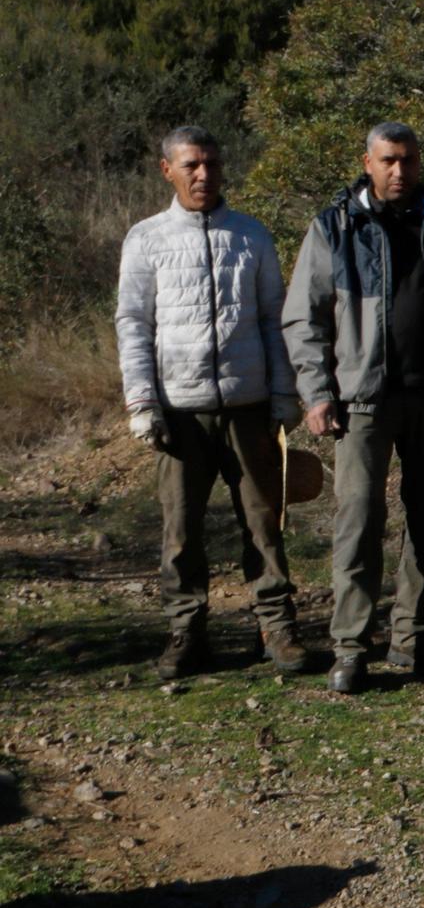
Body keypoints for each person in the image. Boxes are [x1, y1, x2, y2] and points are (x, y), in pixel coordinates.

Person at [283, 121, 424, 694]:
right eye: (387, 161)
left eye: (407, 160)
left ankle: (413, 637)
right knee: (358, 523)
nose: (398, 171)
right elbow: (304, 318)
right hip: (360, 402)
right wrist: (317, 393)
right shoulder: (335, 227)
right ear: (368, 162)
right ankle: (351, 648)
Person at [117, 125, 305, 678]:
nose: (204, 175)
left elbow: (275, 319)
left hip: (248, 406)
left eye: (213, 164)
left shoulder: (251, 235)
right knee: (181, 530)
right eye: (192, 165)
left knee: (264, 524)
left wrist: (283, 392)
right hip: (179, 410)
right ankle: (186, 631)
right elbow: (132, 323)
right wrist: (141, 403)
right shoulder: (146, 238)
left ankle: (276, 626)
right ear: (166, 170)